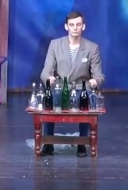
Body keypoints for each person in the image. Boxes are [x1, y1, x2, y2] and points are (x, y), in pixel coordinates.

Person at [40, 11, 105, 157]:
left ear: (83, 26)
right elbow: (45, 71)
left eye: (78, 25)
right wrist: (48, 78)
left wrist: (95, 81)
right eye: (72, 25)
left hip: (81, 88)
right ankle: (48, 143)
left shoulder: (92, 48)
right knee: (50, 98)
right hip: (60, 86)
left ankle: (82, 143)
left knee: (86, 98)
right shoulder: (55, 45)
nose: (75, 28)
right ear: (66, 27)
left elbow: (99, 75)